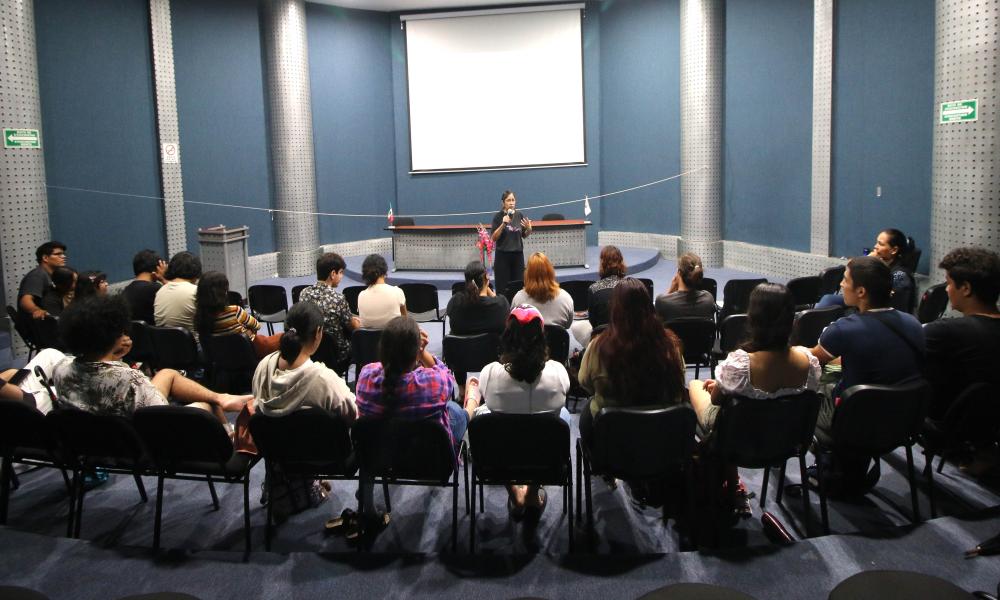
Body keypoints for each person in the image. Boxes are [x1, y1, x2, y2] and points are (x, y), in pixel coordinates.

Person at [810, 256, 924, 491]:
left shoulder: (843, 329)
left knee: (811, 390)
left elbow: (809, 360)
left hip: (853, 423)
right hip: (901, 421)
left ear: (861, 291)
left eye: (845, 279)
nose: (841, 284)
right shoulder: (913, 323)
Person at [354, 316, 478, 529]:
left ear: (382, 348)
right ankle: (471, 407)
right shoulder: (432, 383)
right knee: (455, 411)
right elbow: (447, 378)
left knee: (370, 433)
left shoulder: (366, 377)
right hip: (431, 461)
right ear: (415, 354)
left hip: (381, 459)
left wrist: (409, 348)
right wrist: (421, 352)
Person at [51, 295, 248, 422]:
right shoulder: (129, 378)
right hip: (136, 440)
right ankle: (228, 438)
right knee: (206, 404)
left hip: (93, 437)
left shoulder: (60, 368)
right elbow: (159, 416)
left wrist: (114, 355)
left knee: (167, 373)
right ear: (112, 335)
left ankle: (222, 396)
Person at [253, 302, 358, 520]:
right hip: (326, 457)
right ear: (318, 333)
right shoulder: (323, 379)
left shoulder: (263, 367)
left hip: (278, 453)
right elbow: (353, 416)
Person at [475, 304, 571, 520]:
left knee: (482, 419)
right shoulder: (558, 372)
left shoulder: (489, 373)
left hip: (499, 458)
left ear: (508, 337)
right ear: (541, 337)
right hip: (547, 457)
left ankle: (515, 494)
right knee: (562, 418)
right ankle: (532, 493)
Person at [689, 283, 822, 436]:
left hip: (738, 434)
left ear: (753, 319)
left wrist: (725, 383)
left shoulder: (739, 365)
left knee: (694, 384)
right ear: (792, 320)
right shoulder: (808, 362)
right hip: (782, 434)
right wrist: (725, 383)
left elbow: (716, 400)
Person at [578, 278, 686, 449]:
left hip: (613, 441)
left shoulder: (597, 346)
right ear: (649, 307)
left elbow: (585, 383)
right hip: (662, 439)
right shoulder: (670, 344)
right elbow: (680, 381)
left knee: (587, 414)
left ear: (615, 309)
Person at [924, 247, 1000, 421]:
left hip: (947, 424)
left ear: (965, 288)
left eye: (949, 283)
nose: (946, 290)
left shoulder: (944, 332)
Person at [816, 229, 916, 313]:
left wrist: (867, 260)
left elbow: (892, 305)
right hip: (865, 300)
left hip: (878, 311)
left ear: (894, 250)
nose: (875, 246)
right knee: (829, 299)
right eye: (876, 242)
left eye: (881, 244)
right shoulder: (881, 265)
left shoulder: (900, 276)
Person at [195, 271, 281, 358]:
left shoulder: (200, 316)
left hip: (223, 357)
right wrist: (248, 331)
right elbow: (257, 326)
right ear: (223, 292)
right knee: (283, 338)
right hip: (251, 350)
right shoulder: (235, 311)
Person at [298, 252, 359, 373]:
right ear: (332, 274)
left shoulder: (303, 293)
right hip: (337, 357)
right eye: (341, 272)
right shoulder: (338, 299)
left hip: (310, 352)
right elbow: (353, 328)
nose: (341, 276)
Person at [570, 245, 627, 345]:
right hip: (626, 339)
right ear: (621, 262)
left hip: (602, 341)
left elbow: (593, 323)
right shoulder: (629, 286)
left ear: (602, 263)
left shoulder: (594, 288)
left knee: (576, 327)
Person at [445, 260, 509, 336]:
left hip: (462, 347)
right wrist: (488, 289)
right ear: (486, 277)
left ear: (467, 281)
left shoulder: (455, 301)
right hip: (491, 347)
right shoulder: (501, 303)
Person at [511, 252, 574, 329]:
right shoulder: (566, 298)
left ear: (527, 274)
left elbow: (514, 325)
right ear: (551, 272)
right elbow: (568, 326)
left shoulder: (518, 299)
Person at [490, 190, 532, 295]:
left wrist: (529, 229)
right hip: (502, 257)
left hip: (517, 256)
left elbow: (523, 235)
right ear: (503, 203)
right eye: (508, 200)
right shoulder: (498, 217)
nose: (511, 202)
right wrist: (503, 224)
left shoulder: (519, 215)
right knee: (502, 288)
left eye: (513, 200)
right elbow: (494, 238)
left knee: (519, 287)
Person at [655, 252, 716, 323]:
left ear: (679, 273)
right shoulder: (708, 299)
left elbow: (658, 327)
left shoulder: (662, 301)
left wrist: (670, 291)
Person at [17, 241, 67, 321]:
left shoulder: (49, 275)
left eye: (63, 254)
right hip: (43, 327)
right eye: (58, 254)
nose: (63, 256)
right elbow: (25, 301)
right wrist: (37, 311)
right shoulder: (37, 275)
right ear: (45, 258)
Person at [154, 251, 201, 332]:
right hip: (193, 344)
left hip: (162, 343)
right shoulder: (195, 292)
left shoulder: (160, 291)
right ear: (196, 271)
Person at [357, 254, 407, 329]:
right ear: (384, 271)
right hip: (393, 339)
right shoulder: (397, 292)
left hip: (367, 340)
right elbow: (405, 321)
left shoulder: (361, 295)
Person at [122, 249, 166, 325]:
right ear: (158, 268)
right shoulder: (156, 289)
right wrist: (164, 279)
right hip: (154, 335)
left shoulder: (125, 290)